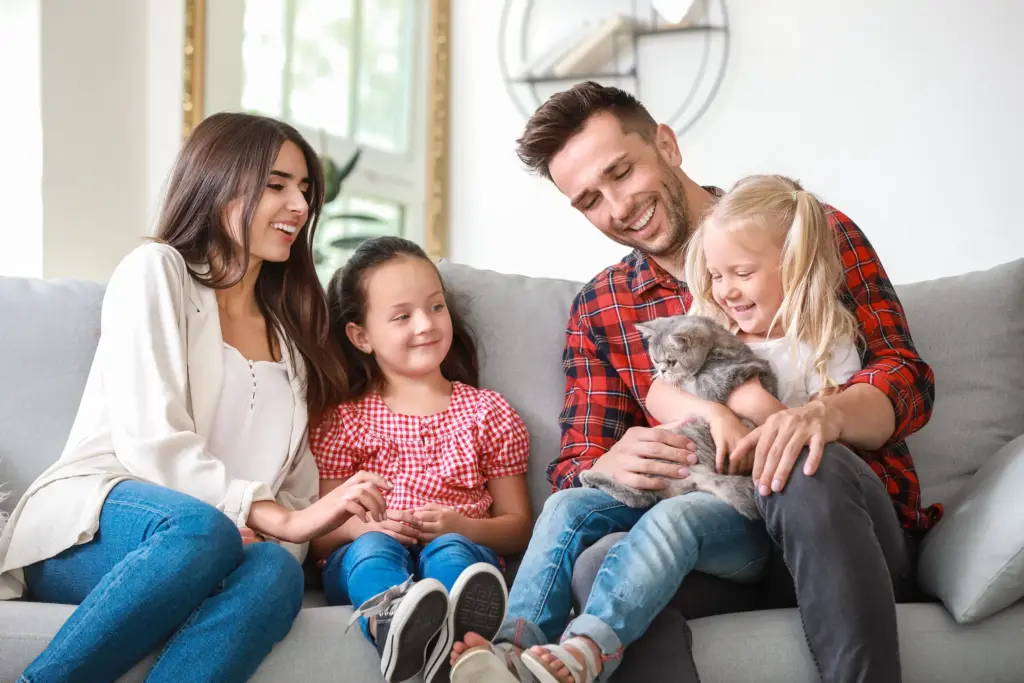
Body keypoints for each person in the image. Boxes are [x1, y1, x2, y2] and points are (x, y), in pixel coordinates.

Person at [450, 82, 941, 683]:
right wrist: (615, 457)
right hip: (721, 539)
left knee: (802, 461)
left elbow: (906, 379)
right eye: (590, 201)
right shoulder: (604, 309)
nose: (619, 207)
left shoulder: (799, 227)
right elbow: (575, 463)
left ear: (666, 144)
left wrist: (824, 417)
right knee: (600, 562)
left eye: (622, 172)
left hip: (844, 527)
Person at [0, 112, 391, 683]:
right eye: (276, 185)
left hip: (222, 544)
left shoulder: (290, 338)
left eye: (305, 191)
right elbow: (150, 440)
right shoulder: (157, 272)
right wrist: (271, 516)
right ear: (217, 182)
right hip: (94, 531)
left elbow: (296, 490)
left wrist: (296, 525)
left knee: (276, 572)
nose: (300, 207)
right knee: (203, 531)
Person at [309, 236, 533, 683]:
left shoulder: (487, 413)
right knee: (372, 549)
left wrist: (461, 526)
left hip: (461, 545)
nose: (426, 325)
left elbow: (519, 525)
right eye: (401, 316)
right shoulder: (344, 420)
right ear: (361, 336)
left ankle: (461, 644)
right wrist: (368, 526)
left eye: (435, 307)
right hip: (365, 552)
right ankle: (391, 627)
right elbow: (320, 536)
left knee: (451, 552)